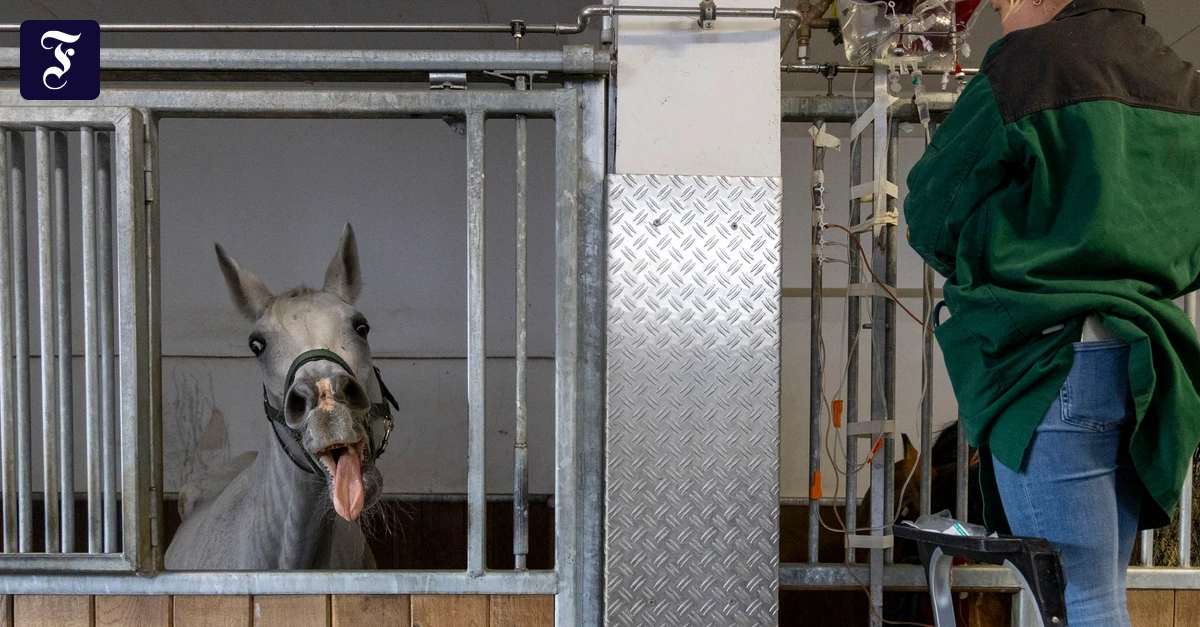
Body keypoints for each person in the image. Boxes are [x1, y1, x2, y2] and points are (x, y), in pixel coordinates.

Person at [903, 1, 1200, 625]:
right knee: (1098, 590)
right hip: (1144, 363)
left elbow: (931, 209)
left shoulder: (1026, 67)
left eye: (1004, 3)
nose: (1001, 14)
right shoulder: (1179, 78)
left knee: (1073, 599)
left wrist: (993, 259)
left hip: (1050, 365)